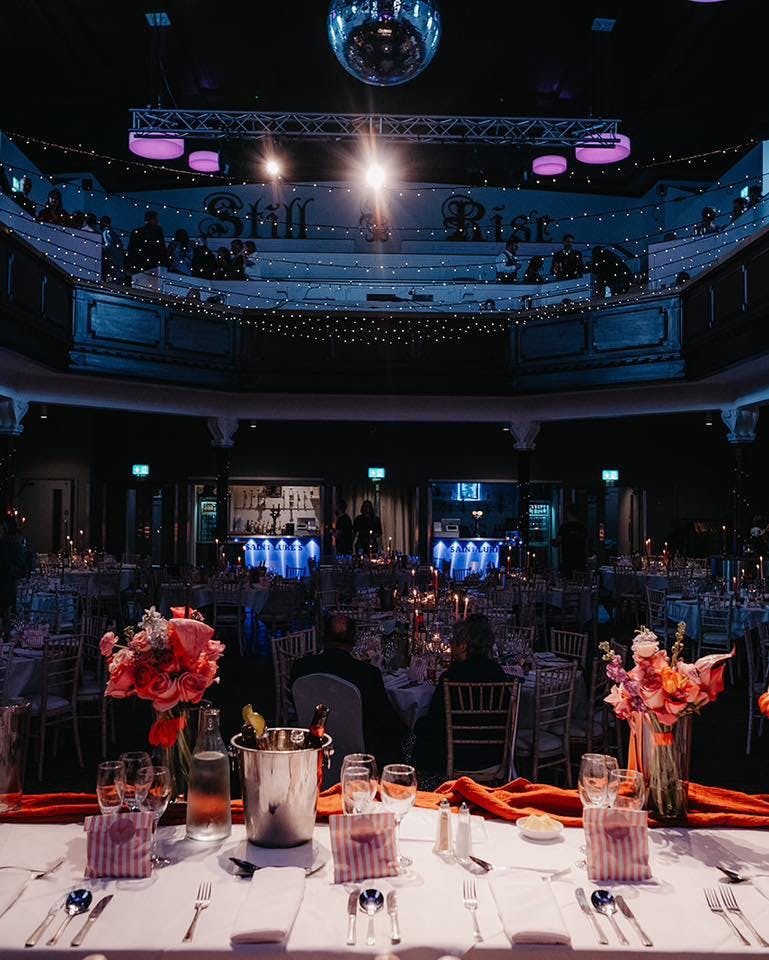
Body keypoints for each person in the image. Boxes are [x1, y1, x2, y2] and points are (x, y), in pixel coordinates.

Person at [290, 613, 405, 766]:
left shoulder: (300, 668)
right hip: (361, 753)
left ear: (323, 638)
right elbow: (385, 718)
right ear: (354, 641)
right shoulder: (367, 674)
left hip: (315, 745)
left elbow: (298, 705)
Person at [414, 614, 508, 772]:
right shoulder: (498, 673)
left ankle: (423, 783)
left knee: (411, 739)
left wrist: (415, 725)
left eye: (453, 642)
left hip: (458, 757)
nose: (451, 647)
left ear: (463, 646)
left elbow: (436, 722)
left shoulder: (451, 676)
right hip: (493, 755)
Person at [0, 516, 27, 631]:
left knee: (6, 613)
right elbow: (22, 568)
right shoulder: (16, 544)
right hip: (9, 583)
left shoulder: (9, 544)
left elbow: (21, 568)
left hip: (6, 583)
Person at [552, 506, 588, 577]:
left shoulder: (564, 527)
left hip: (567, 562)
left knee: (568, 581)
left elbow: (557, 543)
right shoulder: (582, 527)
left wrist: (551, 541)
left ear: (569, 513)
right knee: (579, 581)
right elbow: (586, 544)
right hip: (580, 561)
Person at [99, 215, 126, 284]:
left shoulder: (106, 233)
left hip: (111, 266)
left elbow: (108, 247)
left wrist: (98, 247)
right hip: (118, 266)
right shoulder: (114, 234)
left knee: (110, 284)